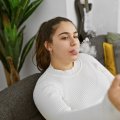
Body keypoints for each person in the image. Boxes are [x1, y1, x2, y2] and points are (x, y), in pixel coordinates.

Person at [33, 16, 120, 120]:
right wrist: (110, 108)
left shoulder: (86, 59)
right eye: (64, 37)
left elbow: (115, 86)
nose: (74, 42)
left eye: (75, 36)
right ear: (48, 45)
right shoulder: (45, 87)